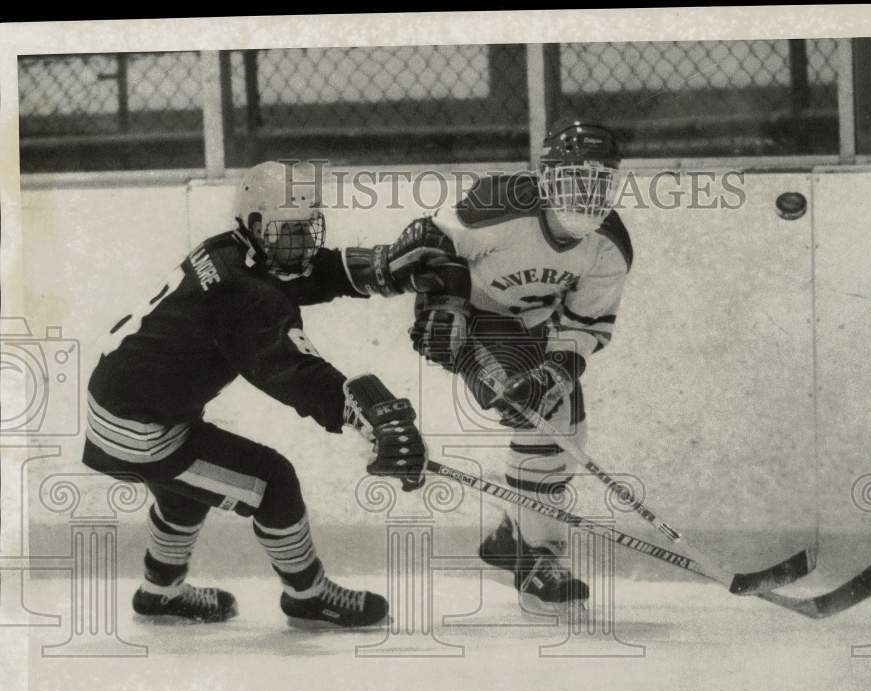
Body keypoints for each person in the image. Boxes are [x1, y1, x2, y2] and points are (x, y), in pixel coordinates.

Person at [81, 161, 428, 629]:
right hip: (141, 428)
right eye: (290, 232)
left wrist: (379, 269)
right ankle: (307, 595)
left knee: (185, 491)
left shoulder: (227, 250)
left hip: (122, 405)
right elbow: (288, 368)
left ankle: (160, 593)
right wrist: (358, 410)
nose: (302, 243)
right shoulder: (246, 292)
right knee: (273, 482)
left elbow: (297, 276)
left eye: (308, 230)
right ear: (258, 226)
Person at [340, 119, 632, 609]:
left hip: (533, 327)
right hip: (471, 319)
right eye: (575, 179)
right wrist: (443, 308)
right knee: (541, 420)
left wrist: (557, 371)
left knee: (569, 428)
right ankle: (536, 561)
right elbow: (426, 242)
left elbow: (586, 325)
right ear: (546, 177)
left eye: (599, 181)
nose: (587, 195)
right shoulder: (501, 205)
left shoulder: (609, 245)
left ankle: (512, 537)